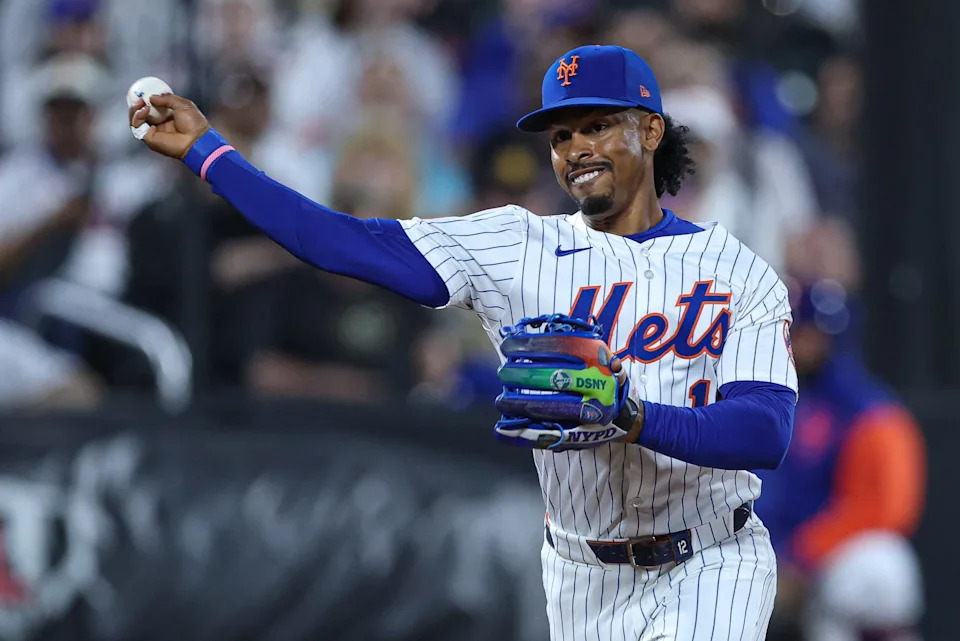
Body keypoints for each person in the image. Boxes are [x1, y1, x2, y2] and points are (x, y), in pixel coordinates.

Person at [129, 44, 797, 639]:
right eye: (561, 135)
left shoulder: (736, 269)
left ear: (650, 130)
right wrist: (210, 154)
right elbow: (337, 241)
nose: (576, 149)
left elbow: (764, 429)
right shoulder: (516, 244)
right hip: (580, 573)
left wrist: (633, 415)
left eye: (596, 126)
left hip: (711, 557)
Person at [759, 278, 925, 641]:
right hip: (752, 554)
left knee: (879, 568)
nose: (802, 343)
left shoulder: (870, 412)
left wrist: (802, 555)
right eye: (796, 332)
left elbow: (884, 509)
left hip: (821, 562)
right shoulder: (755, 395)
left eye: (811, 333)